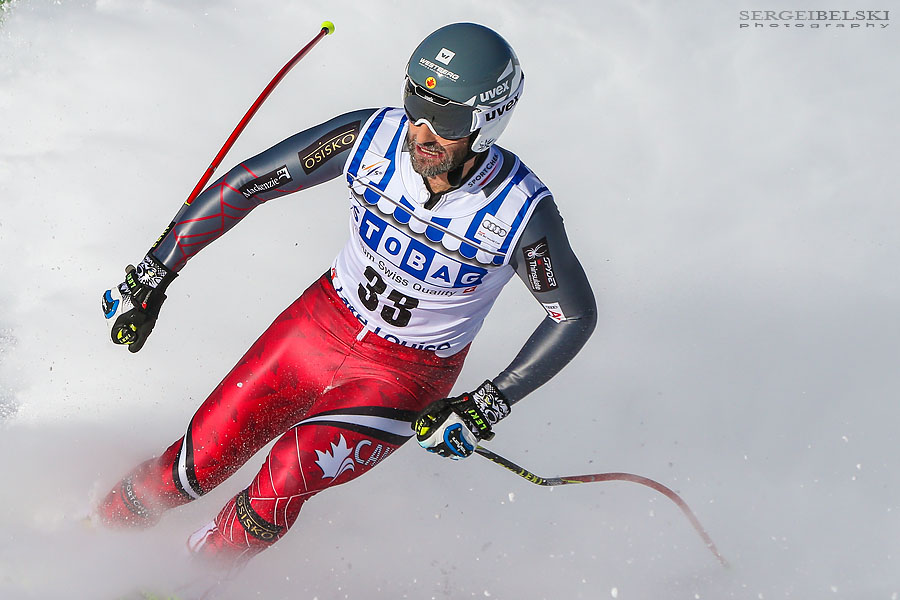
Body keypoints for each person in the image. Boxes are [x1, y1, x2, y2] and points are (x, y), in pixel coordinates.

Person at [98, 22, 597, 571]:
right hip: (316, 327)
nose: (422, 131)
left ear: (488, 120)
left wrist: (484, 406)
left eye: (447, 117)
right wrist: (153, 275)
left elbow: (571, 316)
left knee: (286, 474)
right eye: (416, 103)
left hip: (403, 377)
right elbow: (247, 185)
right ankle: (89, 540)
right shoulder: (369, 137)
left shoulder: (520, 211)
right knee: (192, 465)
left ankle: (184, 582)